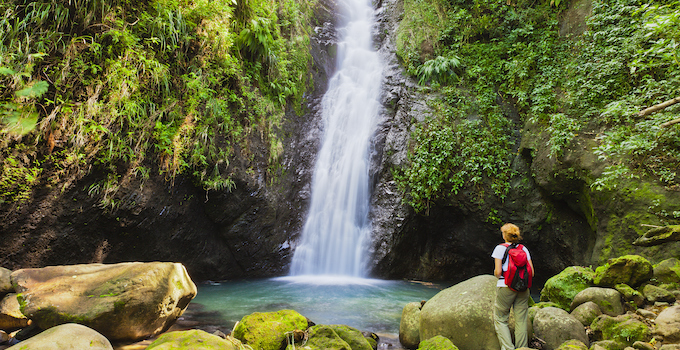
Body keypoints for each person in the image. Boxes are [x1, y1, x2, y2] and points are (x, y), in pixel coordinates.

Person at [492, 223, 534, 350]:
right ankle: (522, 347)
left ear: (504, 235)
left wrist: (496, 275)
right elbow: (531, 271)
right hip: (523, 288)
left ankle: (508, 348)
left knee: (500, 318)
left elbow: (498, 272)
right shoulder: (524, 249)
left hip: (505, 286)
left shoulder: (500, 248)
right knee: (521, 319)